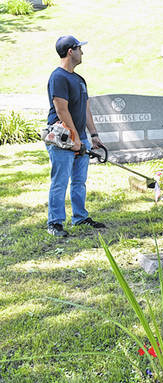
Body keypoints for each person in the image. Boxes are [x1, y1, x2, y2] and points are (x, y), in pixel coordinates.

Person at [46, 35, 106, 237]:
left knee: (79, 181)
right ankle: (55, 222)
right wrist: (74, 138)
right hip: (63, 137)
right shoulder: (58, 77)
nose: (83, 52)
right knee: (60, 181)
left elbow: (86, 110)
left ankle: (80, 217)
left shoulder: (79, 79)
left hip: (80, 136)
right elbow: (61, 109)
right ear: (70, 51)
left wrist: (93, 135)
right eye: (79, 48)